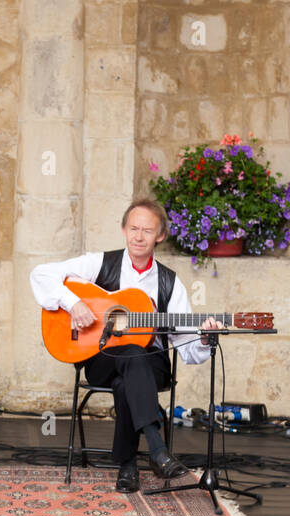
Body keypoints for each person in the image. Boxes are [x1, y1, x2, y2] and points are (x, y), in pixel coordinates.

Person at [29, 198, 223, 493]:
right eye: (134, 228)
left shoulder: (169, 283)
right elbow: (40, 274)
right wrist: (74, 302)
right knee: (130, 356)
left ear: (160, 235)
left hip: (153, 363)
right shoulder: (100, 263)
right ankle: (157, 449)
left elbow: (188, 348)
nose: (139, 236)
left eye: (147, 230)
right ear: (123, 229)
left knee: (128, 375)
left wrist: (205, 337)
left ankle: (128, 465)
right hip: (101, 359)